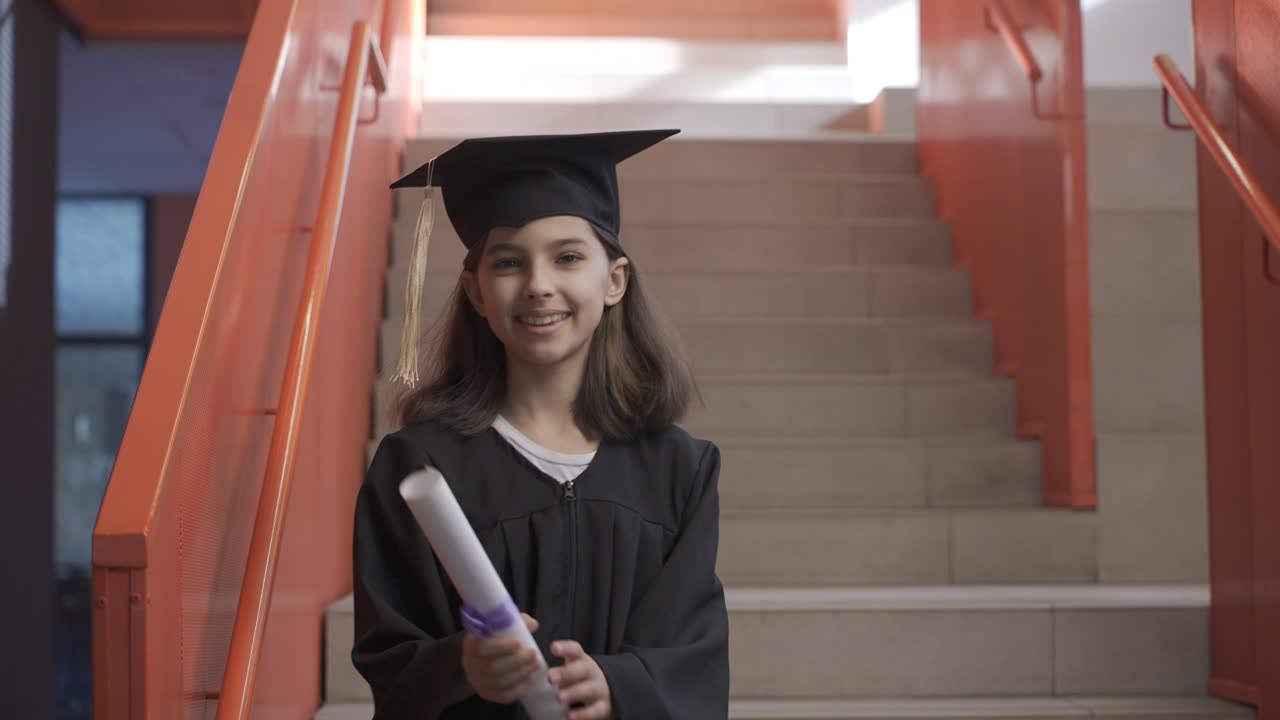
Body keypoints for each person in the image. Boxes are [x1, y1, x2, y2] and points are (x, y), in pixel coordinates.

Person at [351, 129, 730, 720]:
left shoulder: (679, 469)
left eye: (569, 256)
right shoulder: (419, 466)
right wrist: (460, 666)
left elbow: (691, 651)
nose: (538, 285)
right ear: (476, 291)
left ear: (614, 281)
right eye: (507, 261)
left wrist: (618, 684)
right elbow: (390, 656)